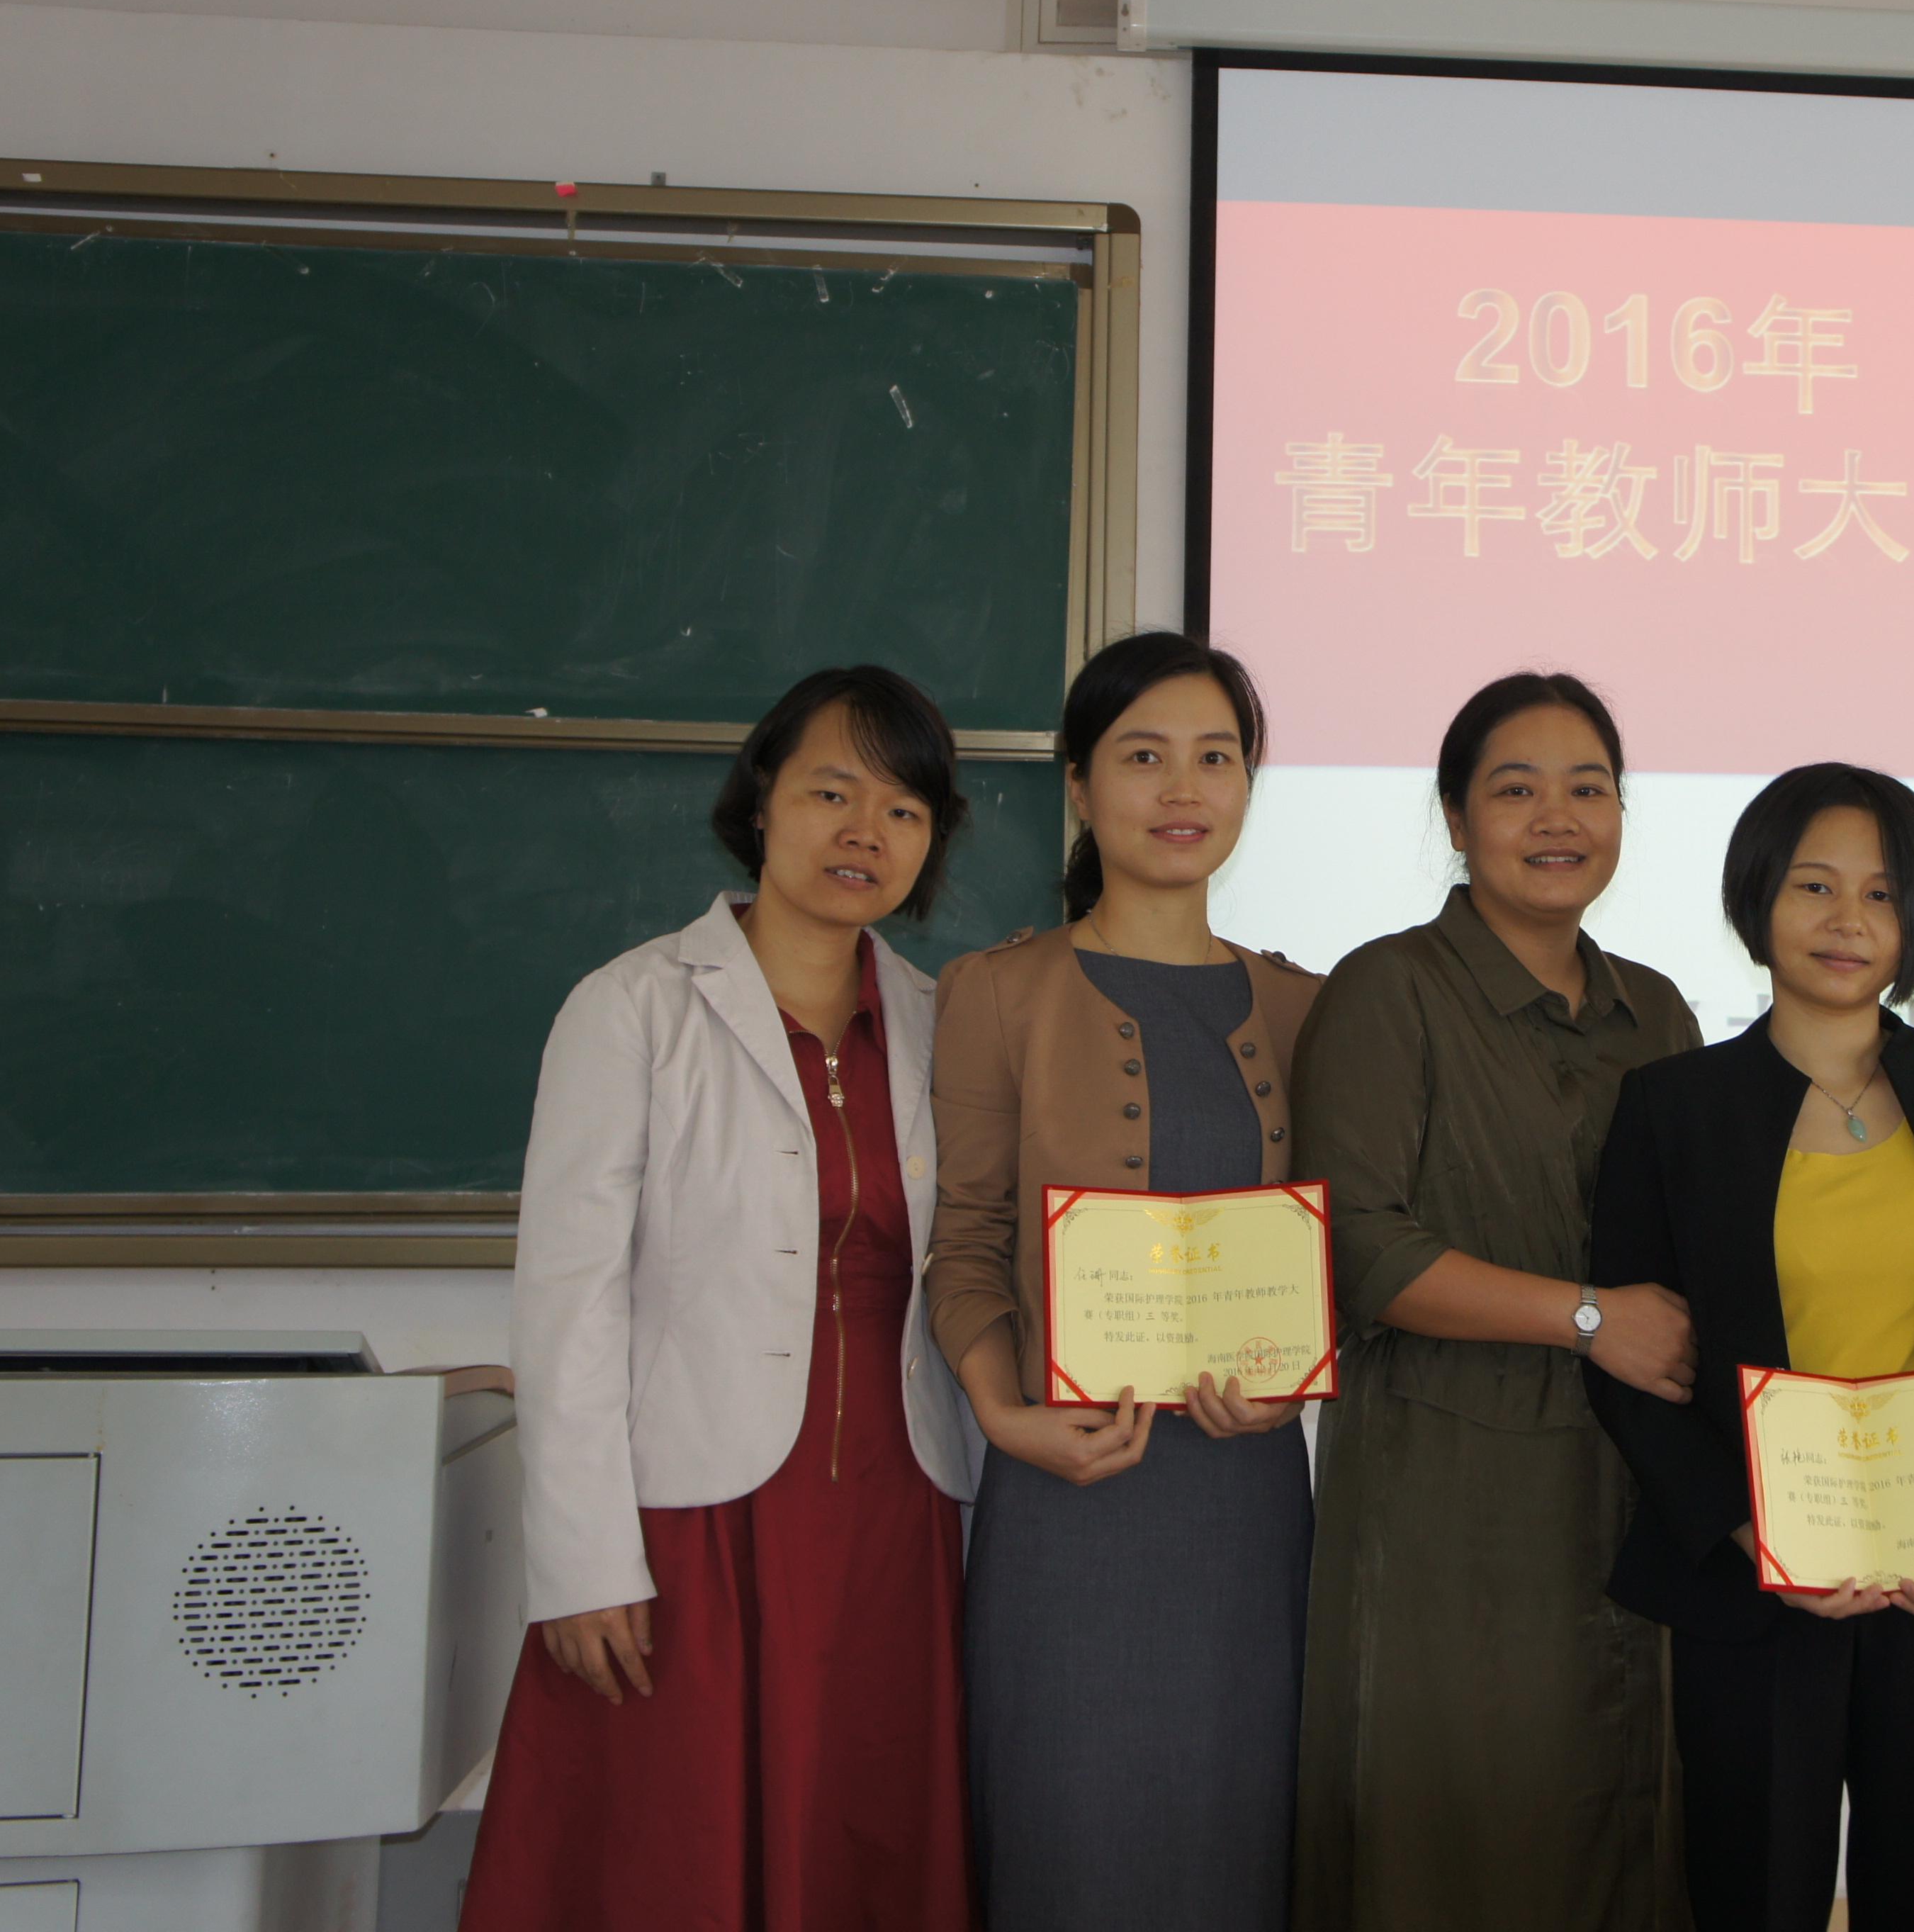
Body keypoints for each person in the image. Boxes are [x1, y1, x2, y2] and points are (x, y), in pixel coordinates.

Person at [466, 664, 985, 1932]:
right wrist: (582, 1562)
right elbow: (568, 1303)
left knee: (863, 1841)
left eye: (905, 809)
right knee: (669, 1861)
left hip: (895, 1519)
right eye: (831, 792)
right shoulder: (634, 1007)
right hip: (691, 1525)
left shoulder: (944, 1024)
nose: (866, 831)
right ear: (760, 802)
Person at [1590, 763, 1914, 1932]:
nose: (1847, 920)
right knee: (1753, 1895)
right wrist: (1742, 1528)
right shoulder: (1672, 1106)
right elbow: (1635, 1364)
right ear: (1758, 897)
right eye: (1814, 885)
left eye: (1881, 893)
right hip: (1758, 1581)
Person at [1289, 671, 1702, 1932]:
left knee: (1625, 1838)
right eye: (1516, 790)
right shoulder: (1389, 989)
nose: (1557, 818)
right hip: (1447, 1505)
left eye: (1590, 788)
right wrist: (1590, 1318)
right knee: (1457, 1840)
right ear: (1457, 818)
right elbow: (1355, 1246)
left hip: (1631, 1494)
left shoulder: (1658, 1011)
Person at [925, 630, 1321, 1932]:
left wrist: (1295, 1385)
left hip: (1247, 1505)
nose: (1182, 788)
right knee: (1071, 1849)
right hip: (1065, 1496)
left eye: (1216, 757)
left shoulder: (1309, 1008)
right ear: (1080, 787)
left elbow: (1342, 1256)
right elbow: (966, 1241)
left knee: (1238, 1846)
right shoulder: (996, 993)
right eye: (1143, 757)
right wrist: (1002, 1411)